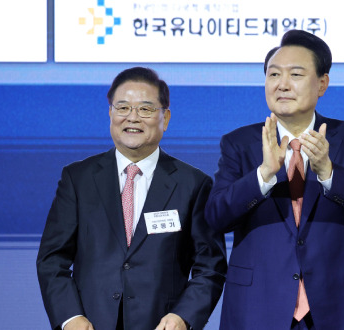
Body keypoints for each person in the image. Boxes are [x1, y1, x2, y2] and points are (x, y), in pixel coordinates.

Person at [205, 29, 344, 329]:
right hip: (260, 305)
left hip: (339, 304)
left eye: (296, 74)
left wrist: (329, 172)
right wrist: (263, 175)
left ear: (322, 84)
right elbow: (216, 217)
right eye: (274, 74)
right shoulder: (240, 143)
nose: (282, 84)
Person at [36, 67, 227, 330]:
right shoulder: (77, 179)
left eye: (145, 109)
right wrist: (70, 317)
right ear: (110, 113)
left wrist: (183, 316)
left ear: (165, 117)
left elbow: (211, 266)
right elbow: (52, 259)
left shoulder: (193, 184)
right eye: (123, 108)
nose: (132, 118)